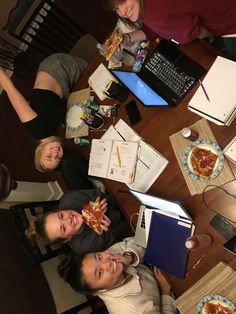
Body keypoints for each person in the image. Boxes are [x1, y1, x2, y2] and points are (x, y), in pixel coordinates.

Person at [0, 53, 87, 172]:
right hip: (61, 84)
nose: (55, 154)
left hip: (57, 68)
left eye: (48, 156)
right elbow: (46, 110)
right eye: (57, 158)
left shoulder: (36, 128)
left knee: (96, 70)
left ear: (39, 152)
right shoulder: (49, 133)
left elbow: (10, 89)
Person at [58, 237, 178, 314]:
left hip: (160, 268)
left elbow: (140, 239)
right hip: (174, 297)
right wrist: (165, 292)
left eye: (98, 257)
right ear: (97, 292)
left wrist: (129, 256)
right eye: (100, 273)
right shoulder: (131, 309)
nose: (107, 262)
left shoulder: (110, 256)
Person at [103, 0, 236, 61]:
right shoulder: (148, 9)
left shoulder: (154, 13)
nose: (123, 11)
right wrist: (128, 37)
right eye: (116, 8)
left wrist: (212, 38)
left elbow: (197, 32)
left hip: (229, 20)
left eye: (124, 1)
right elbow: (153, 27)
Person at [26, 189, 128, 255]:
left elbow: (110, 197)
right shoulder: (84, 246)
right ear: (67, 239)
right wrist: (105, 221)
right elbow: (122, 233)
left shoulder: (70, 199)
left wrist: (104, 204)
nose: (68, 220)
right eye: (64, 228)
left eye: (61, 215)